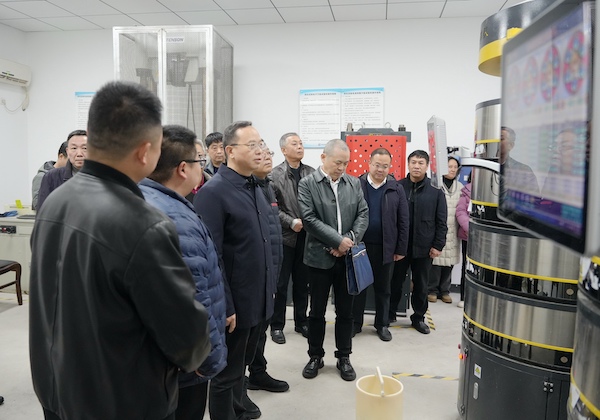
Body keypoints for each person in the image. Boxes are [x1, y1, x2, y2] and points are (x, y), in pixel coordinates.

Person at [29, 81, 211, 420]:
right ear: (145, 152)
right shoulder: (143, 222)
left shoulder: (57, 200)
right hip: (121, 400)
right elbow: (186, 337)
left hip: (58, 387)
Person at [139, 125, 227, 420]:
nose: (203, 168)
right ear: (182, 168)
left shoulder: (141, 198)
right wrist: (207, 359)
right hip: (185, 363)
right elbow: (193, 299)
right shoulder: (177, 217)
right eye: (199, 161)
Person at [195, 121, 276, 420]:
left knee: (241, 367)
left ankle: (239, 411)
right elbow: (211, 255)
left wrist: (270, 290)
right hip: (235, 305)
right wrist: (226, 305)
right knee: (226, 376)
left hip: (258, 298)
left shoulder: (254, 186)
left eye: (261, 144)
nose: (260, 150)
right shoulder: (214, 193)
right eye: (252, 145)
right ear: (230, 151)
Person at [298, 139, 369, 382]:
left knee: (346, 312)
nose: (342, 168)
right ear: (323, 158)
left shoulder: (353, 183)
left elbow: (363, 214)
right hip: (319, 257)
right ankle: (315, 356)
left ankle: (344, 356)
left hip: (346, 258)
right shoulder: (308, 184)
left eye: (345, 163)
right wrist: (337, 241)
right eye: (338, 162)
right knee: (316, 311)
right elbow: (309, 219)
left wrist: (348, 240)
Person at [244, 145, 289, 418]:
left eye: (269, 154)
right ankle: (238, 386)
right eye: (260, 154)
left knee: (260, 330)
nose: (267, 158)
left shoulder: (267, 187)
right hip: (252, 276)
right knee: (246, 337)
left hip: (271, 269)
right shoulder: (245, 189)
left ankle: (258, 373)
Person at [352, 148, 409, 342]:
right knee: (359, 287)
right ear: (369, 163)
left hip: (386, 248)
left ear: (390, 167)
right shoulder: (356, 185)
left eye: (385, 166)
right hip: (360, 247)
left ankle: (382, 324)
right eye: (377, 165)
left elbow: (403, 221)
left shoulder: (396, 189)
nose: (380, 169)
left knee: (384, 289)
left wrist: (400, 249)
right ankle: (355, 323)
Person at [389, 150, 447, 335]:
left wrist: (438, 245)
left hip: (425, 247)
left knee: (421, 285)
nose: (416, 166)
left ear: (427, 166)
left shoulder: (436, 191)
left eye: (421, 163)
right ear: (408, 164)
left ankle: (419, 318)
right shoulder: (397, 187)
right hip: (400, 247)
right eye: (413, 162)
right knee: (395, 282)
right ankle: (389, 314)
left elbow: (441, 221)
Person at [269, 132, 315, 345]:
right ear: (284, 150)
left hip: (307, 238)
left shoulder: (311, 173)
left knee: (302, 283)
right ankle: (277, 325)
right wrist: (290, 222)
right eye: (294, 144)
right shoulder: (274, 175)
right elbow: (271, 208)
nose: (299, 147)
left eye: (301, 143)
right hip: (285, 238)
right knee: (280, 285)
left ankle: (301, 322)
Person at [428, 155, 464, 304]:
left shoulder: (460, 187)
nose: (452, 170)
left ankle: (445, 290)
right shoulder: (435, 185)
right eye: (450, 166)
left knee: (449, 261)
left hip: (453, 229)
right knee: (436, 261)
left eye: (455, 167)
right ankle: (432, 290)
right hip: (438, 228)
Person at [36, 129, 88, 210]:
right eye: (74, 148)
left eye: (85, 148)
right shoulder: (52, 177)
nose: (79, 154)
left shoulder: (102, 177)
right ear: (67, 151)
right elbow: (43, 211)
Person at [31, 141, 68, 210]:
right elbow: (38, 204)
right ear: (61, 156)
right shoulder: (42, 176)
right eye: (70, 160)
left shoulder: (68, 175)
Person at [455, 173, 472, 308]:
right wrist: (470, 229)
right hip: (469, 235)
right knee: (467, 266)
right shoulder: (467, 191)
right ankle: (464, 297)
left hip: (487, 237)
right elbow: (460, 212)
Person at [185, 139, 212, 203]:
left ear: (205, 157)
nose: (196, 160)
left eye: (199, 156)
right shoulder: (177, 187)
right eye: (191, 157)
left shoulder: (214, 184)